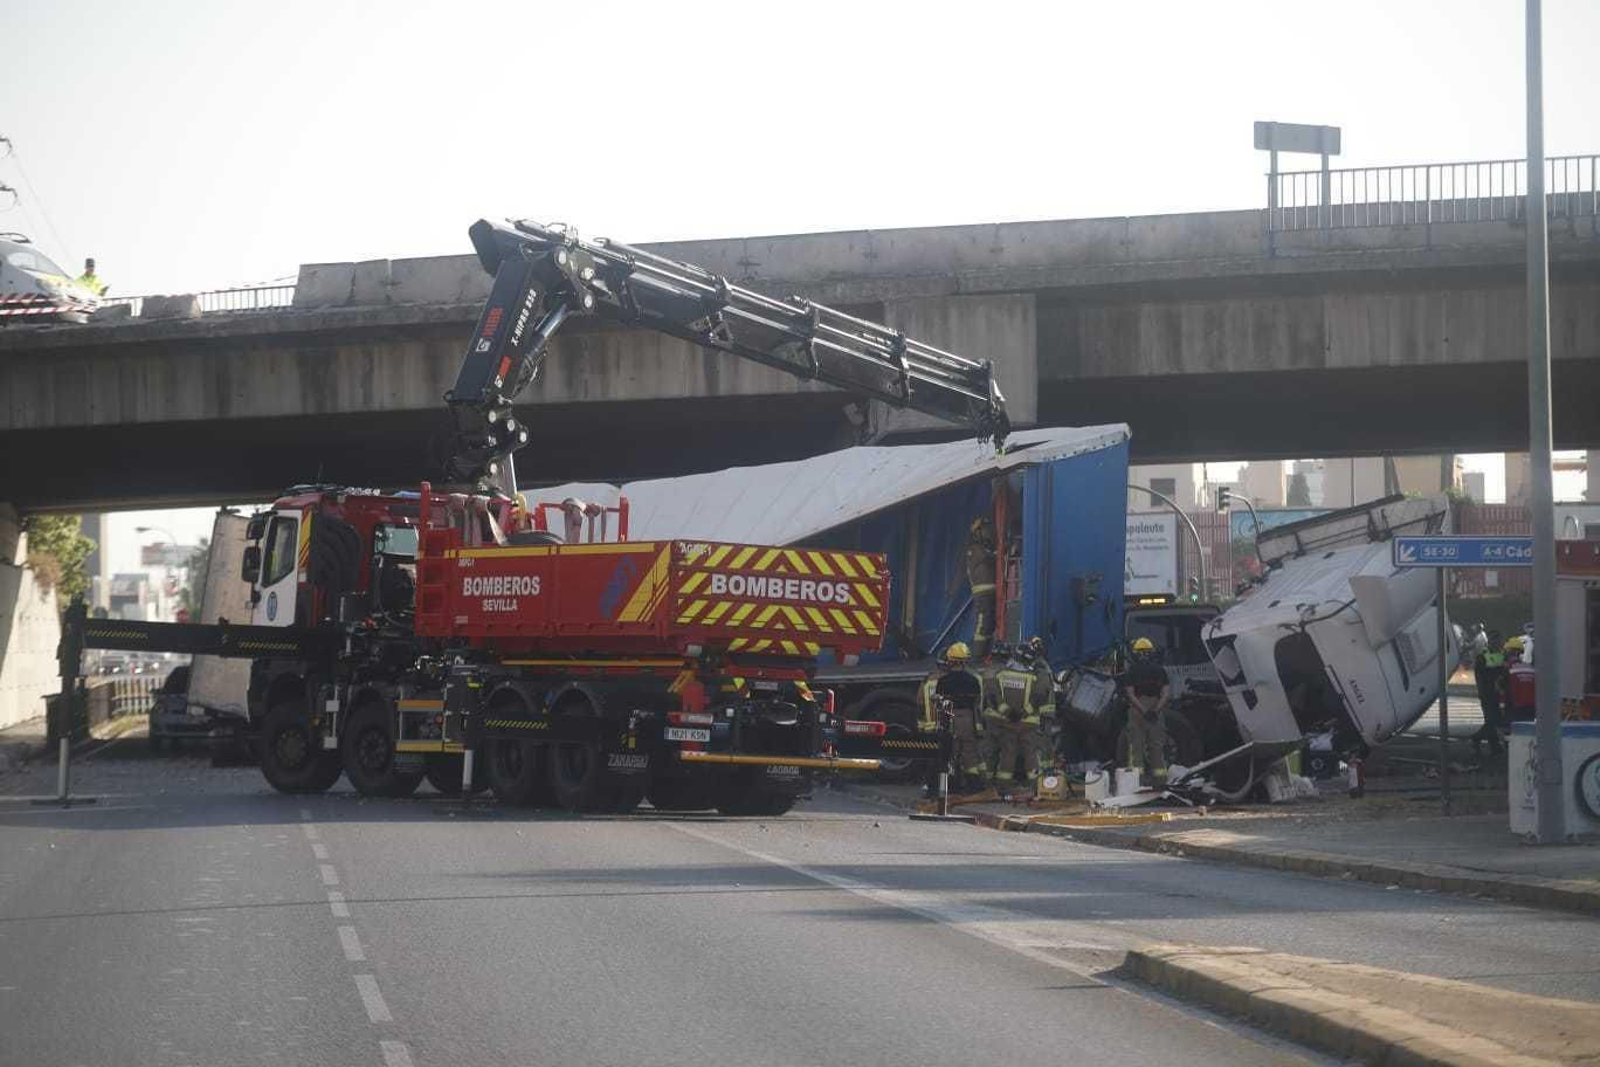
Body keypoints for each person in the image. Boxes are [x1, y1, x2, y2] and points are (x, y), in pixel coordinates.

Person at [982, 639, 1054, 797]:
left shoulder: (1000, 675)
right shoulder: (1033, 677)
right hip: (1028, 724)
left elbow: (993, 697)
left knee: (1008, 754)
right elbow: (1041, 696)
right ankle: (1036, 786)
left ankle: (1002, 787)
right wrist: (1024, 713)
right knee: (1031, 756)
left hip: (1007, 723)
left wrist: (1008, 713)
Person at [919, 642, 986, 793]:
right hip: (968, 720)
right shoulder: (973, 680)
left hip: (949, 718)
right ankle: (974, 787)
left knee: (949, 752)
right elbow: (977, 702)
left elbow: (939, 702)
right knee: (969, 753)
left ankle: (947, 787)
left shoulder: (943, 681)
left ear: (949, 660)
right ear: (965, 660)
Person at [1121, 636, 1171, 787]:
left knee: (1136, 749)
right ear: (1151, 652)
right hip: (1156, 707)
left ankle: (1137, 784)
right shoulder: (1160, 670)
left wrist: (1143, 710)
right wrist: (1155, 710)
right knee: (1156, 747)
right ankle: (1161, 783)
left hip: (1137, 710)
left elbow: (1130, 693)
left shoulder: (1132, 671)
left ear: (1136, 653)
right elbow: (1166, 693)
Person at [964, 516, 997, 659]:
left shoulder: (984, 547)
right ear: (977, 532)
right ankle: (977, 657)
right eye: (984, 530)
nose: (988, 532)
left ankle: (986, 654)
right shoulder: (974, 549)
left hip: (991, 592)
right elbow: (989, 559)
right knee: (983, 623)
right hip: (982, 594)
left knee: (990, 623)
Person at [1471, 631, 1506, 755]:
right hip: (1488, 694)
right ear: (1490, 642)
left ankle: (1489, 743)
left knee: (1498, 721)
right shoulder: (1482, 657)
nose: (1498, 644)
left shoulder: (1504, 654)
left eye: (1500, 641)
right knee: (1491, 721)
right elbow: (1479, 678)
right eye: (1495, 641)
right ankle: (1493, 746)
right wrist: (1483, 693)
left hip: (1500, 694)